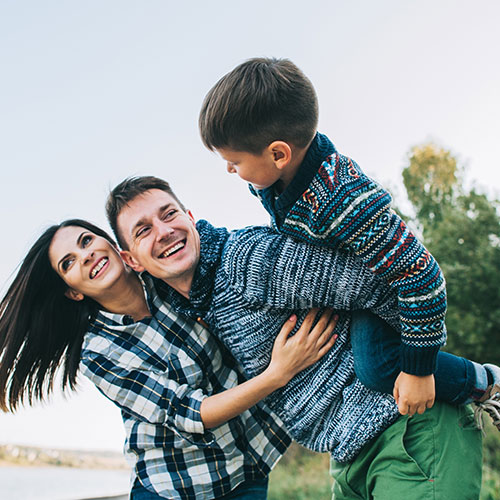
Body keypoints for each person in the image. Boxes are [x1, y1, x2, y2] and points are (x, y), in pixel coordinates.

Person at [106, 176, 483, 499]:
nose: (164, 230)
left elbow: (382, 280)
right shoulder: (192, 309)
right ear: (133, 260)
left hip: (406, 428)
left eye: (169, 214)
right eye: (143, 230)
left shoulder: (245, 262)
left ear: (189, 217)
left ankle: (484, 383)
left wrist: (413, 365)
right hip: (349, 455)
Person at [198, 56, 500, 421]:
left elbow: (422, 275)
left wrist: (419, 370)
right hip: (350, 291)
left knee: (377, 365)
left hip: (392, 298)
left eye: (234, 161)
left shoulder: (340, 198)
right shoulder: (277, 183)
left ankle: (486, 382)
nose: (230, 169)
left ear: (279, 154)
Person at [0, 218, 339, 500]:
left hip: (248, 465)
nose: (85, 255)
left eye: (87, 241)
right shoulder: (97, 351)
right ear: (73, 291)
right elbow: (188, 413)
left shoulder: (167, 275)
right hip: (174, 485)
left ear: (114, 244)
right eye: (69, 262)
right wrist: (277, 374)